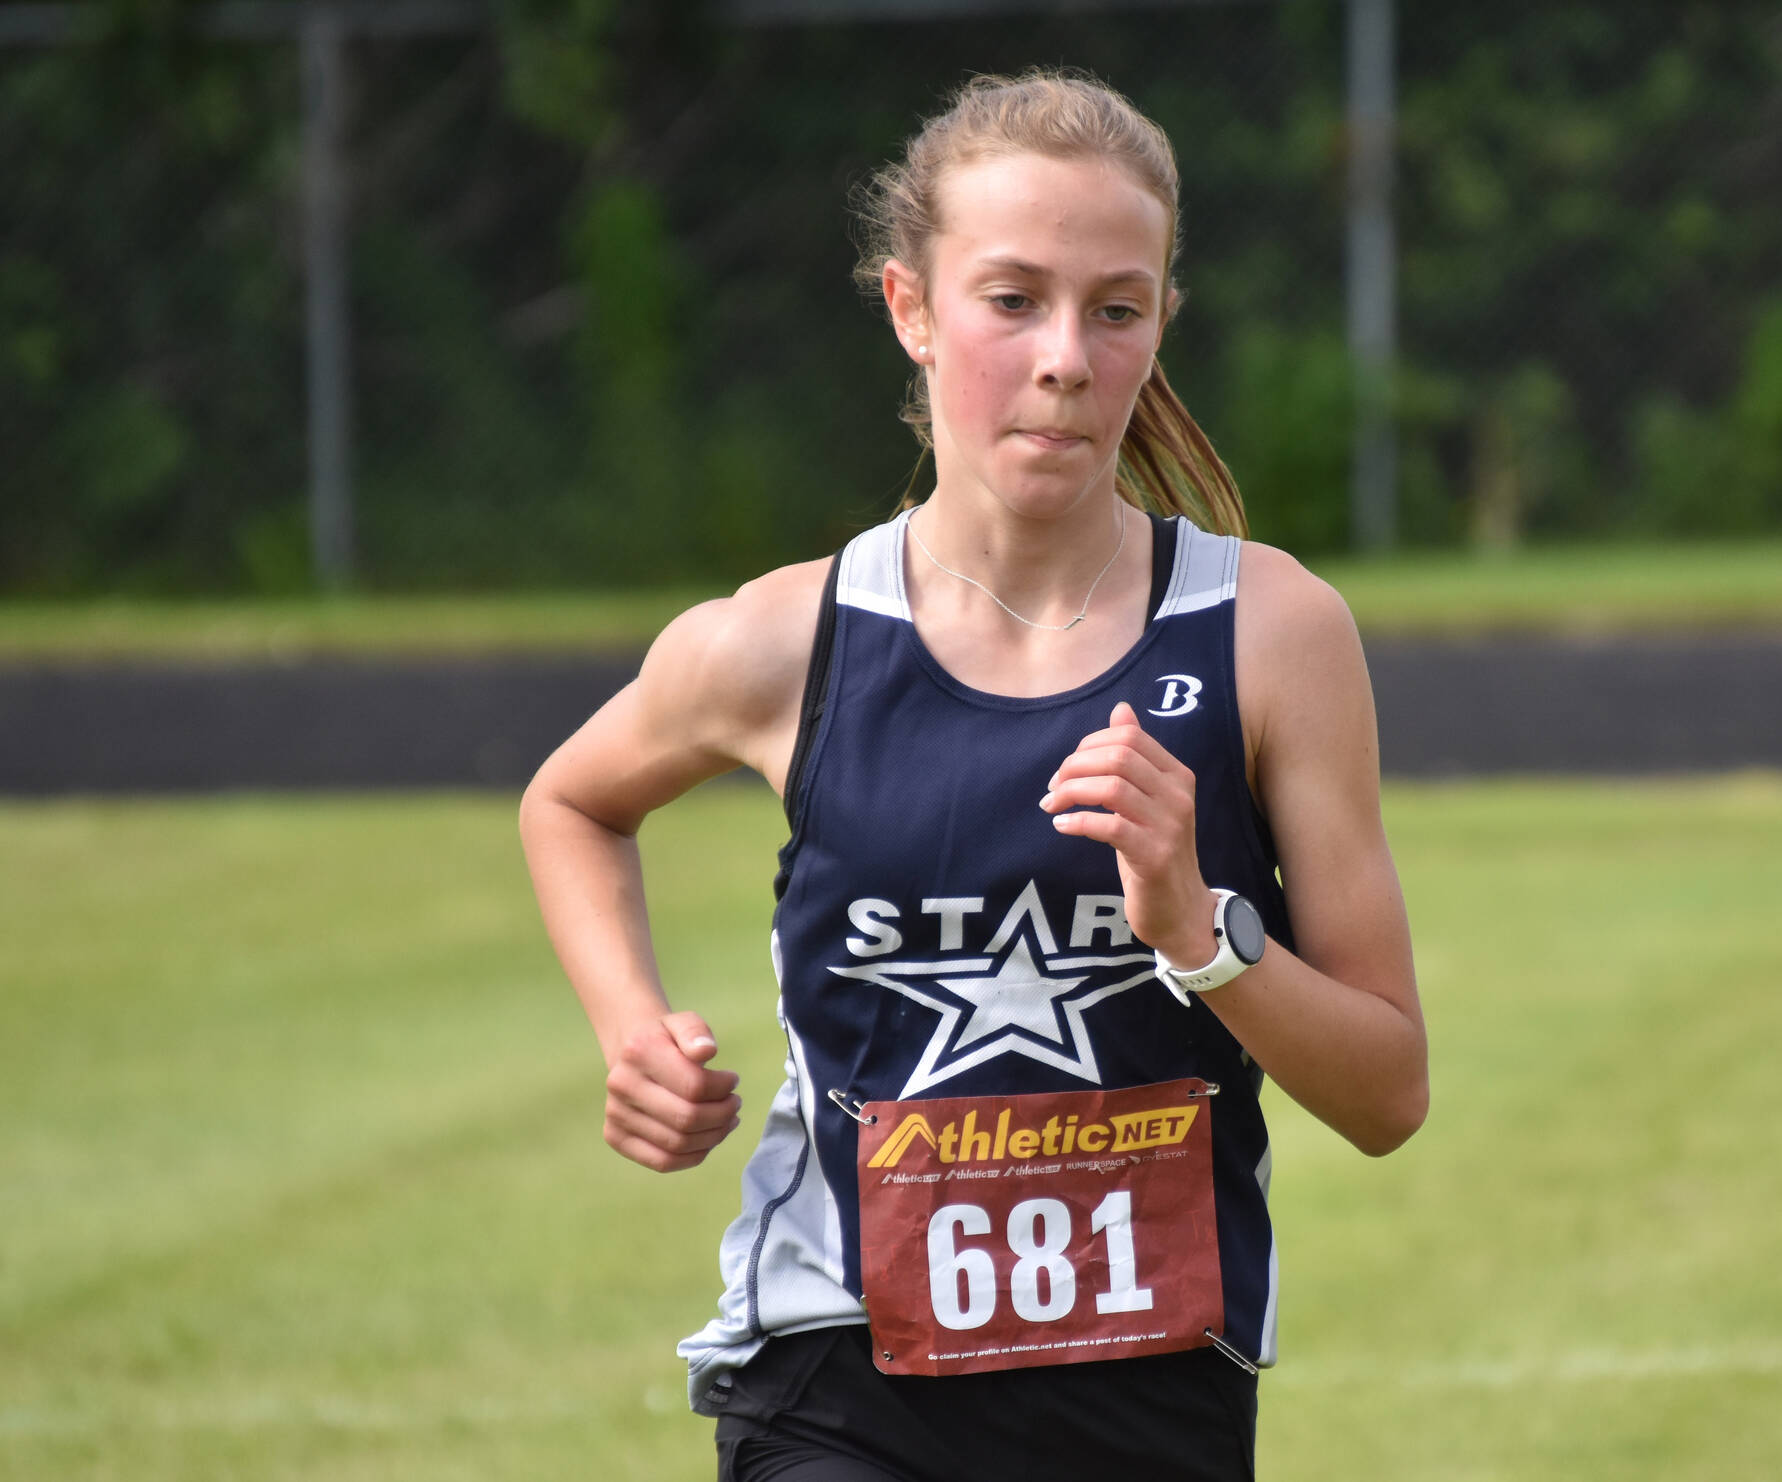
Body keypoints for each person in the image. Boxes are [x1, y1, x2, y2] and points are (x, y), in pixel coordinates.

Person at [519, 68, 1427, 1482]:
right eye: (1013, 300)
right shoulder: (787, 639)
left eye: (1115, 309)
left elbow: (1388, 1093)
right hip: (836, 1379)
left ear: (1158, 327)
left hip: (1152, 1398)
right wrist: (632, 1029)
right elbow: (572, 800)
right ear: (912, 311)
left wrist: (1199, 929)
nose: (1065, 356)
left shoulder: (1271, 635)